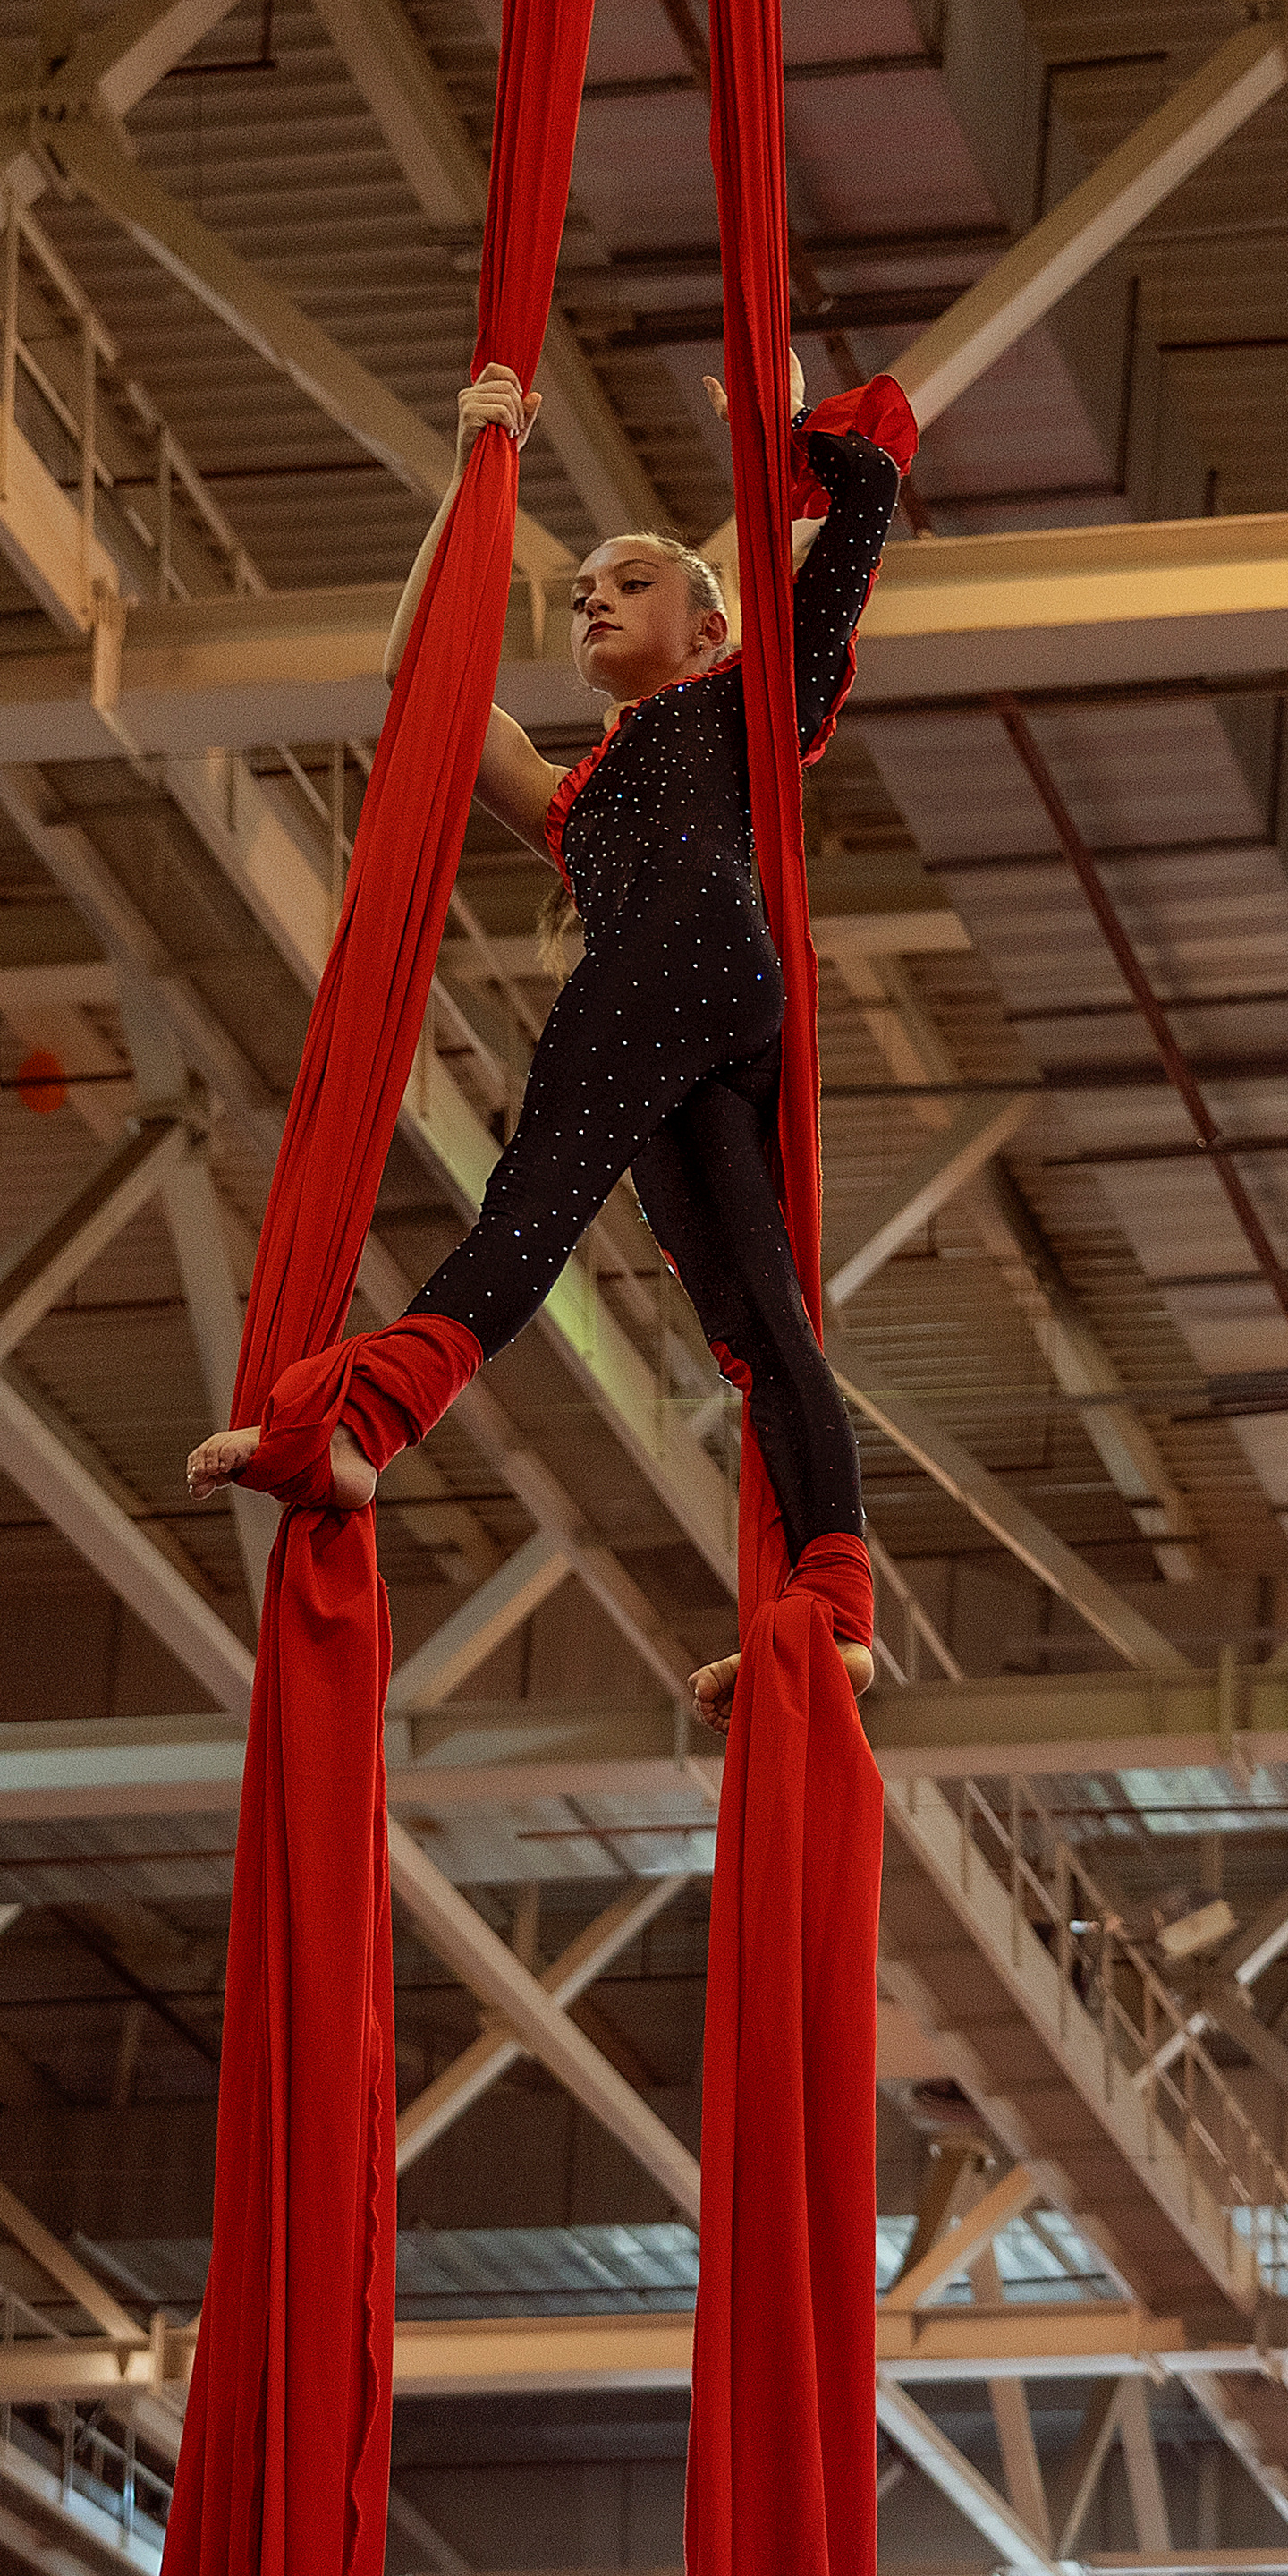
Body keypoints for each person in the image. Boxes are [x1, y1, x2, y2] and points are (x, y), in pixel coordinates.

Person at [190, 355, 907, 1730]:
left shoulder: (745, 703)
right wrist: (473, 480)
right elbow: (425, 677)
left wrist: (781, 425)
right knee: (761, 1324)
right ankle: (837, 1603)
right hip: (711, 1010)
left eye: (629, 580)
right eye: (581, 587)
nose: (591, 595)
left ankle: (371, 1418)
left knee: (536, 1196)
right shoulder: (572, 795)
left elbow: (855, 518)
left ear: (709, 631)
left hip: (673, 969)